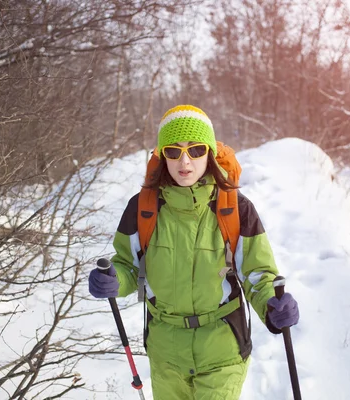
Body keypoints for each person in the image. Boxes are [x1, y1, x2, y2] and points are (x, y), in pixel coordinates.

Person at [89, 105, 299, 400]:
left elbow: (258, 275)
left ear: (210, 153)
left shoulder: (235, 209)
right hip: (166, 354)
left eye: (196, 150)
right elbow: (128, 267)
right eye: (174, 151)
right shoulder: (142, 208)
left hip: (222, 349)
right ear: (163, 156)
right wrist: (112, 280)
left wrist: (272, 305)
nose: (184, 161)